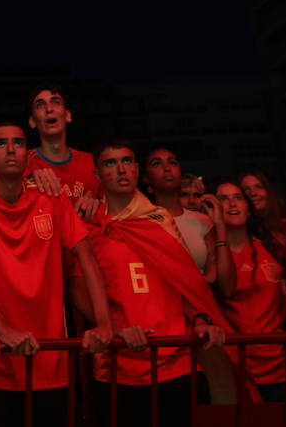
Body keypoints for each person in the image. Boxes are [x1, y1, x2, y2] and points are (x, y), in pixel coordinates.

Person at [0, 122, 113, 424]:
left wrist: (103, 322)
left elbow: (86, 256)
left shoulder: (52, 197)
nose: (11, 149)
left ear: (28, 156)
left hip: (51, 358)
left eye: (18, 143)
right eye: (1, 144)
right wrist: (2, 330)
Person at [71, 139, 229, 426]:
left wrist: (200, 318)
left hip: (178, 358)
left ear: (136, 169)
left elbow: (183, 283)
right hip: (120, 361)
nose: (121, 169)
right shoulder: (88, 226)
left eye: (127, 161)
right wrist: (115, 330)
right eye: (110, 163)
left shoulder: (161, 220)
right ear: (97, 176)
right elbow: (79, 290)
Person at [204, 179, 286, 420]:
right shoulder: (209, 251)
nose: (231, 203)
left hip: (282, 365)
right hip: (237, 368)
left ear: (248, 208)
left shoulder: (275, 245)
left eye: (238, 198)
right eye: (223, 198)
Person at [24, 86, 99, 211]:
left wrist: (99, 204)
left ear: (68, 115)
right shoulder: (22, 163)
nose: (49, 109)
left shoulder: (92, 163)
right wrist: (26, 183)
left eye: (56, 102)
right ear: (32, 121)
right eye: (40, 105)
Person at [143, 146, 213, 271]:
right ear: (146, 178)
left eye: (172, 162)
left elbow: (218, 278)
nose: (167, 168)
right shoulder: (140, 222)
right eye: (157, 163)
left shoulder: (203, 221)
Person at [239, 168, 286, 248]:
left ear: (268, 191)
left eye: (258, 187)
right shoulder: (240, 232)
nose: (253, 193)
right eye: (246, 189)